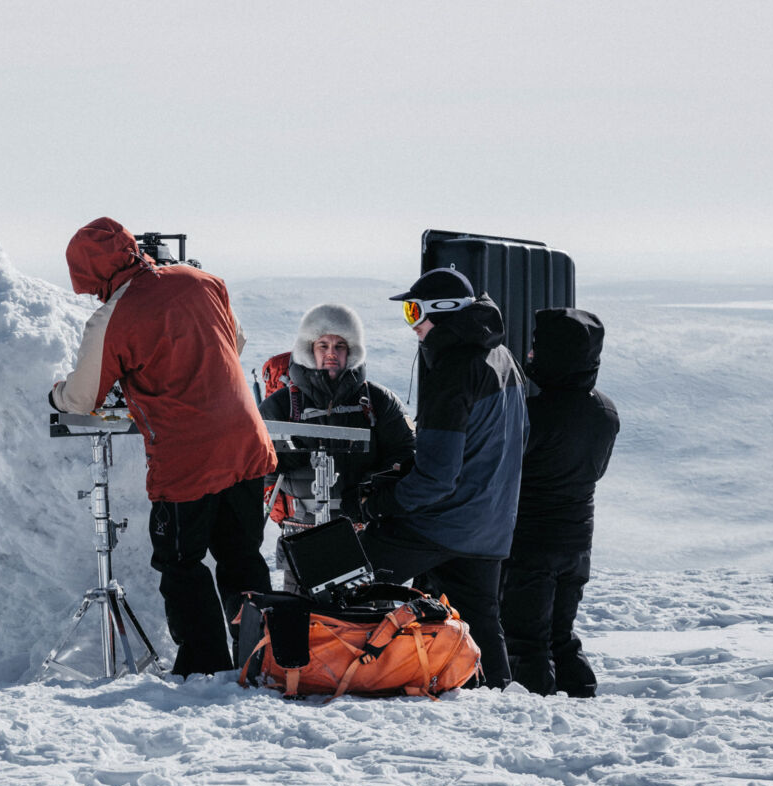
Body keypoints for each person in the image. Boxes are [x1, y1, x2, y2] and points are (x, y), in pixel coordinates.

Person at [49, 217, 276, 677]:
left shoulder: (113, 315)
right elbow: (237, 342)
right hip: (247, 446)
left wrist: (55, 392)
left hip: (187, 458)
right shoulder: (203, 280)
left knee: (180, 562)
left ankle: (205, 667)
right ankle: (263, 658)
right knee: (241, 558)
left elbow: (81, 397)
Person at [357, 267, 528, 688]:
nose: (412, 325)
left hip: (442, 522)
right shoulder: (501, 356)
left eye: (415, 311)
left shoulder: (452, 369)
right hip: (489, 527)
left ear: (445, 311)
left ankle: (351, 676)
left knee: (347, 575)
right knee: (481, 624)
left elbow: (435, 481)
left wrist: (378, 502)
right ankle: (499, 703)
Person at [502, 308, 619, 697]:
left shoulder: (534, 415)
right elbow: (596, 472)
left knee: (527, 642)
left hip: (532, 544)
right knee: (561, 637)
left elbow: (503, 471)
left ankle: (537, 716)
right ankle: (582, 696)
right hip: (577, 543)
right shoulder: (605, 411)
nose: (531, 357)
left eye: (537, 350)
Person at [259, 303, 415, 592]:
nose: (331, 352)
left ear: (352, 350)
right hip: (302, 533)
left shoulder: (379, 402)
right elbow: (256, 463)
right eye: (323, 344)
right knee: (304, 619)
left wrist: (370, 492)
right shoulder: (280, 405)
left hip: (365, 535)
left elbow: (405, 455)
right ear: (310, 348)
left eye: (340, 345)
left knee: (363, 619)